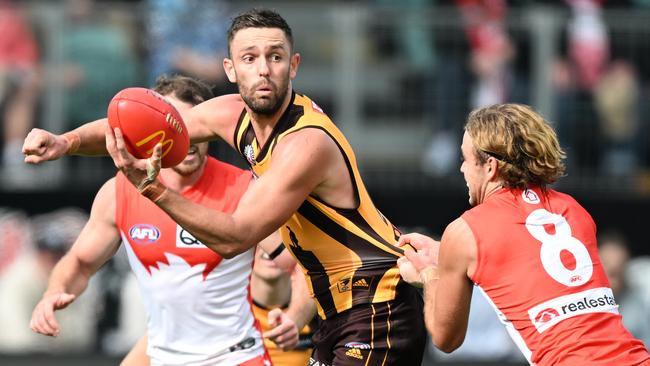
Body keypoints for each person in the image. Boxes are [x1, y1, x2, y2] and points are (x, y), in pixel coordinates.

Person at [22, 8, 426, 365]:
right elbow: (133, 127)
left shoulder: (305, 144)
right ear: (231, 70)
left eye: (275, 57)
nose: (263, 70)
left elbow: (236, 238)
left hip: (375, 304)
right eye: (250, 59)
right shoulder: (229, 115)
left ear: (294, 65)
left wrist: (155, 192)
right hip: (337, 313)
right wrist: (66, 141)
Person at [28, 75, 308, 366]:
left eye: (191, 129)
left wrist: (294, 317)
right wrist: (52, 295)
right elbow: (80, 263)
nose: (185, 140)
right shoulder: (119, 192)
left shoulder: (244, 190)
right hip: (161, 356)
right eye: (171, 129)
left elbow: (305, 267)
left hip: (236, 357)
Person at [396, 103, 650, 365]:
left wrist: (430, 275)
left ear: (490, 166)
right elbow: (525, 257)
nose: (462, 169)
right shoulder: (574, 210)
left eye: (466, 159)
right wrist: (446, 254)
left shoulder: (465, 231)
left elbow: (445, 338)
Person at [250, 244, 317, 366]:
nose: (268, 247)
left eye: (280, 234)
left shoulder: (322, 309)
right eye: (259, 238)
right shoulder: (226, 312)